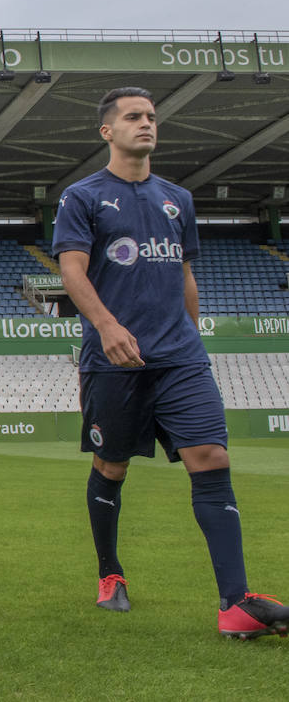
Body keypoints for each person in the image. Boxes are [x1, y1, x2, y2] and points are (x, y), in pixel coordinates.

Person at [53, 86, 289, 639]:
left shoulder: (177, 199)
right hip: (114, 361)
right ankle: (110, 575)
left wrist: (193, 335)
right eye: (133, 117)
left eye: (152, 117)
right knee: (112, 467)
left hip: (181, 358)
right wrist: (107, 327)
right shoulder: (82, 196)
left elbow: (183, 274)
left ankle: (235, 603)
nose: (147, 124)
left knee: (210, 456)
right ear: (107, 131)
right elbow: (72, 272)